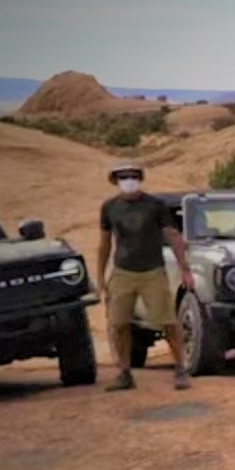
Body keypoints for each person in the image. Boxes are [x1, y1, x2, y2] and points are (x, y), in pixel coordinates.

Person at [98, 161, 195, 390]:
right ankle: (124, 373)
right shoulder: (109, 207)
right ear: (116, 181)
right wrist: (101, 278)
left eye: (133, 176)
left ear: (140, 179)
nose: (128, 181)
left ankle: (180, 369)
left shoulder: (155, 205)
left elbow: (172, 235)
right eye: (123, 177)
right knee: (118, 324)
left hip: (153, 272)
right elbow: (104, 244)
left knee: (168, 322)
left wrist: (185, 268)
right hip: (122, 272)